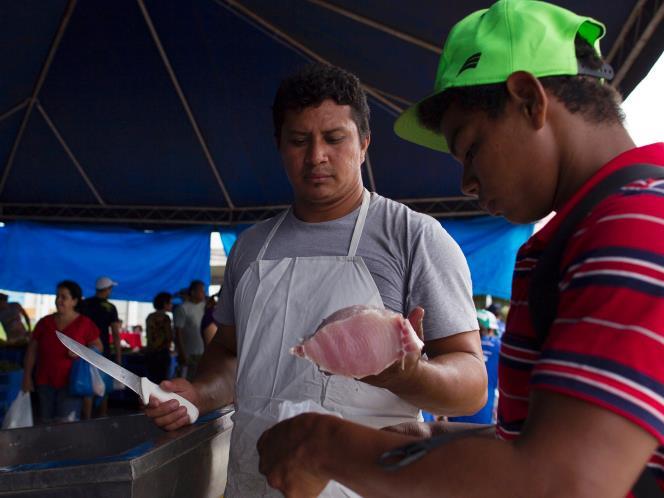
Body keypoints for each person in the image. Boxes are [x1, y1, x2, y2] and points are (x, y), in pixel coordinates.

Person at [255, 1, 664, 496]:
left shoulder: (637, 225)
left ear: (528, 100)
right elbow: (554, 438)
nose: (468, 182)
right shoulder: (582, 232)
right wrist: (438, 437)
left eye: (471, 148)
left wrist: (323, 444)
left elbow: (563, 481)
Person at [146, 62, 485, 497]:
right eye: (299, 141)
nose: (316, 157)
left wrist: (408, 375)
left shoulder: (413, 237)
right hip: (256, 478)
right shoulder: (251, 246)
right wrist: (197, 392)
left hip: (365, 485)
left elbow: (472, 384)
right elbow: (231, 354)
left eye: (334, 138)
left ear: (363, 142)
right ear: (279, 146)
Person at [21, 280, 102, 423]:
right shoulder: (44, 322)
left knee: (66, 425)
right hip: (44, 381)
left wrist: (81, 352)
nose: (58, 300)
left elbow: (98, 347)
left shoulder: (85, 323)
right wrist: (27, 377)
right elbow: (32, 351)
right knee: (45, 423)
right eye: (57, 296)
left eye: (64, 297)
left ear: (74, 301)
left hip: (72, 383)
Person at [79, 276, 122, 418]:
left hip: (84, 349)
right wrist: (118, 356)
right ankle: (102, 416)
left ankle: (86, 418)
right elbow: (115, 334)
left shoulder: (84, 304)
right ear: (108, 289)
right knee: (104, 386)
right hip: (103, 350)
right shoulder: (110, 307)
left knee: (87, 383)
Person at [449, 309, 500, 424]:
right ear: (491, 329)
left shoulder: (456, 344)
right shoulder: (498, 347)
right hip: (484, 414)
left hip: (455, 413)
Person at [172, 280, 206, 380]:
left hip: (204, 353)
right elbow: (178, 333)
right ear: (193, 292)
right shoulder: (182, 309)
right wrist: (182, 354)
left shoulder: (204, 306)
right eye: (201, 291)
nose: (204, 293)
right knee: (189, 382)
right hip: (189, 354)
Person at [145, 292, 174, 385]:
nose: (171, 305)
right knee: (162, 382)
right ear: (165, 304)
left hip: (150, 353)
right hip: (162, 353)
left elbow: (149, 335)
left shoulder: (150, 317)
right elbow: (169, 336)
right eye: (170, 303)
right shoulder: (166, 318)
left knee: (151, 381)